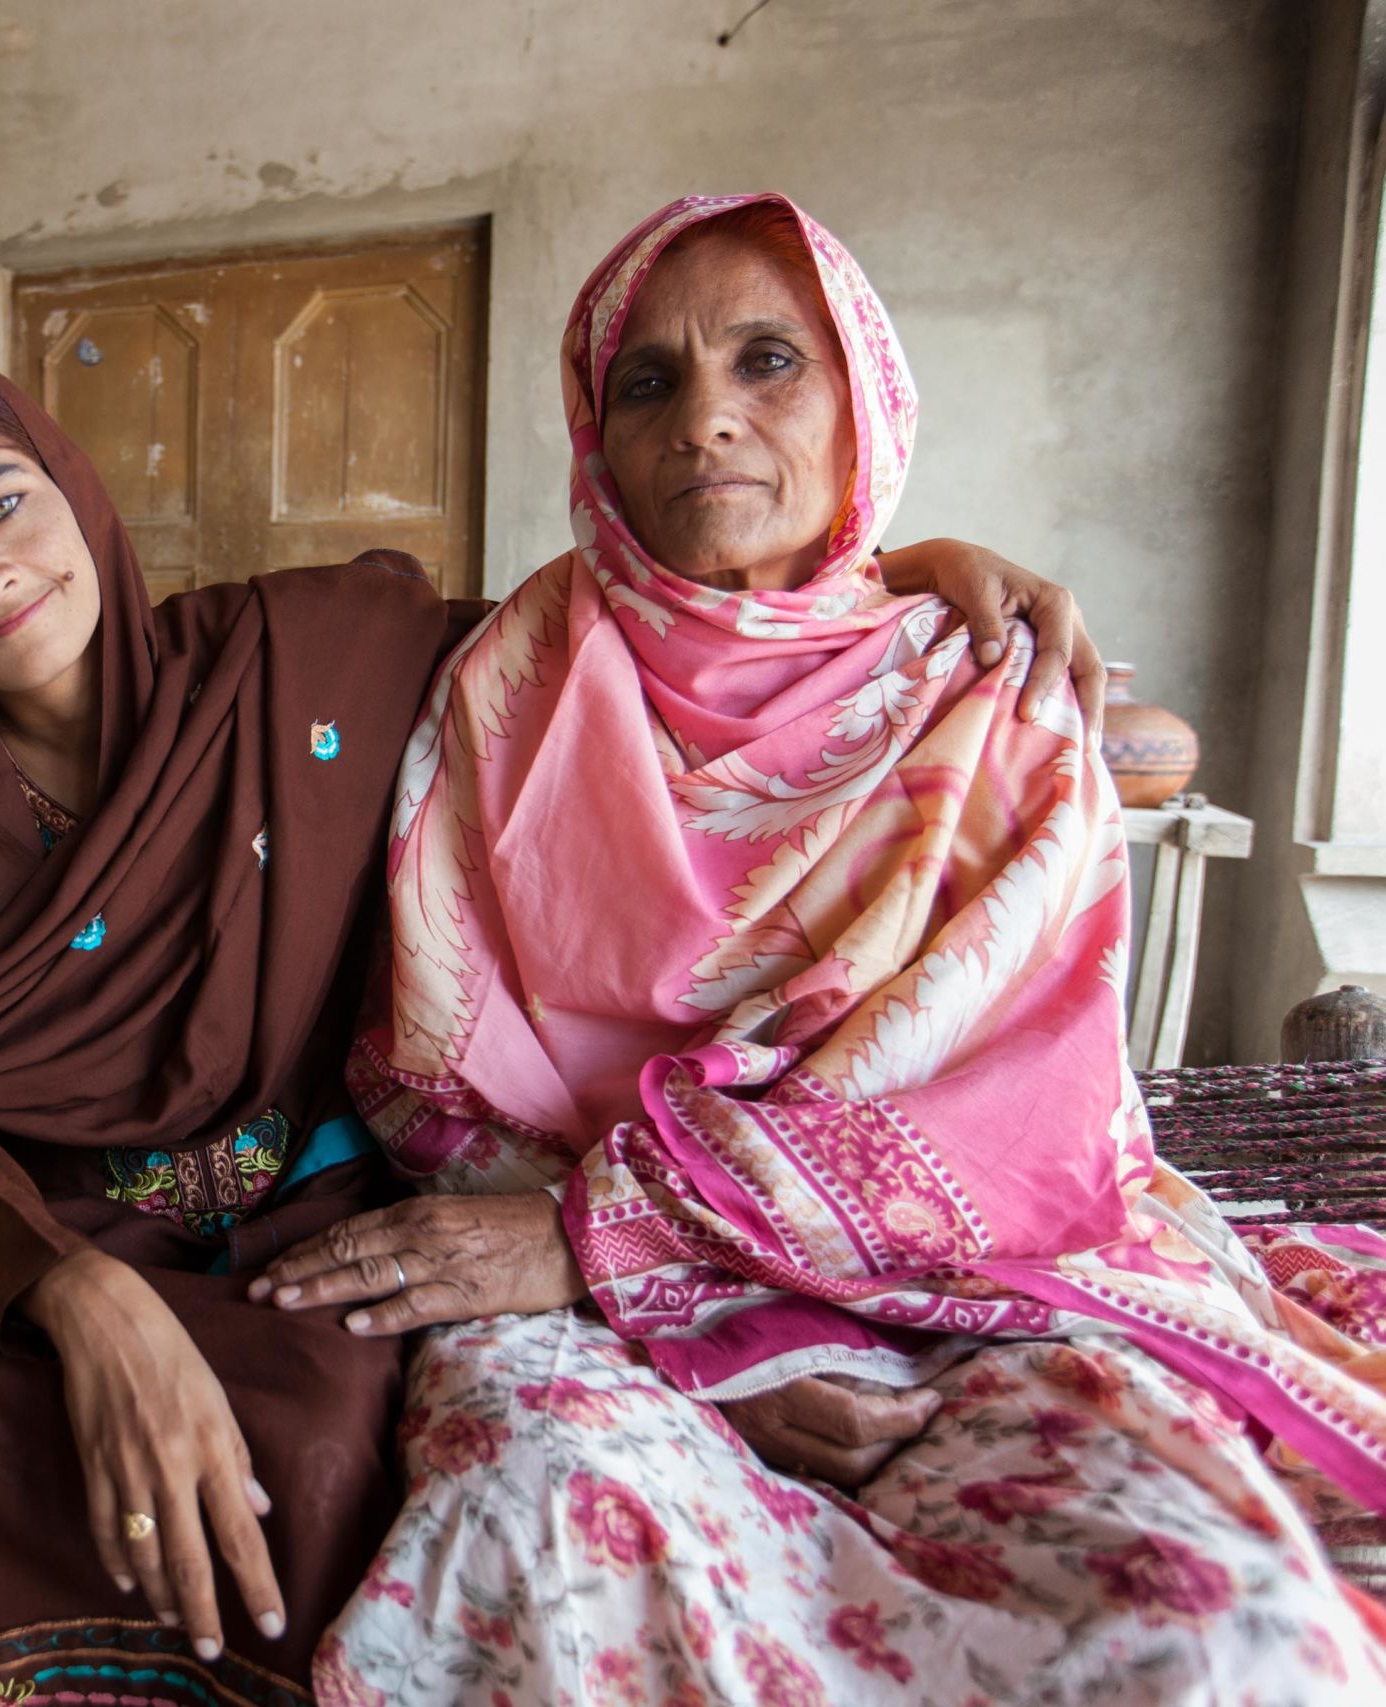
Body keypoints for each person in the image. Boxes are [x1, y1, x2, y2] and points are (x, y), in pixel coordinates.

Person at [0, 353, 1101, 1705]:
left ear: (73, 491)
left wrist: (890, 575)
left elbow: (620, 638)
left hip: (301, 1206)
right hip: (35, 1232)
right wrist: (81, 1300)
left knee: (323, 1447)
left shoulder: (296, 663)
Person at [266, 193, 1386, 1706]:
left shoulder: (991, 696)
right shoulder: (516, 682)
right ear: (596, 440)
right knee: (534, 1544)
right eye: (648, 383)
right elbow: (443, 1076)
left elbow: (1021, 1121)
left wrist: (686, 1269)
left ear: (865, 398)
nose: (707, 420)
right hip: (587, 1292)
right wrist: (677, 1313)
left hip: (960, 1291)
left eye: (768, 361)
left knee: (1213, 1618)